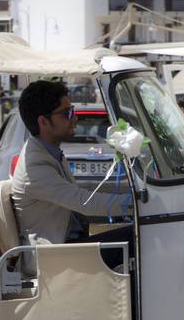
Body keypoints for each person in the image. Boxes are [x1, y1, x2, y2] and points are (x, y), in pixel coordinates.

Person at [11, 80, 130, 247]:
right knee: (134, 239)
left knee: (136, 233)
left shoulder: (48, 151)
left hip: (70, 245)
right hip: (54, 257)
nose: (75, 118)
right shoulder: (35, 166)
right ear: (43, 122)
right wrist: (136, 203)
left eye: (72, 111)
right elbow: (85, 202)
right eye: (67, 113)